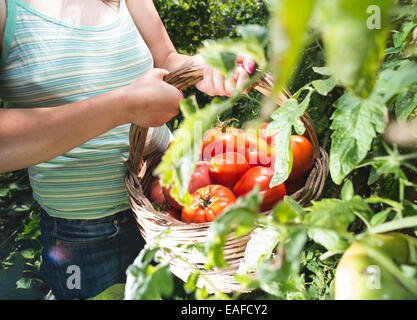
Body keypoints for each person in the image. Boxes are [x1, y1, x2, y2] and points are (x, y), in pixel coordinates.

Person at [0, 0, 254, 299]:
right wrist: (125, 106)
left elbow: (167, 59)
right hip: (86, 235)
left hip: (169, 203)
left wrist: (203, 66)